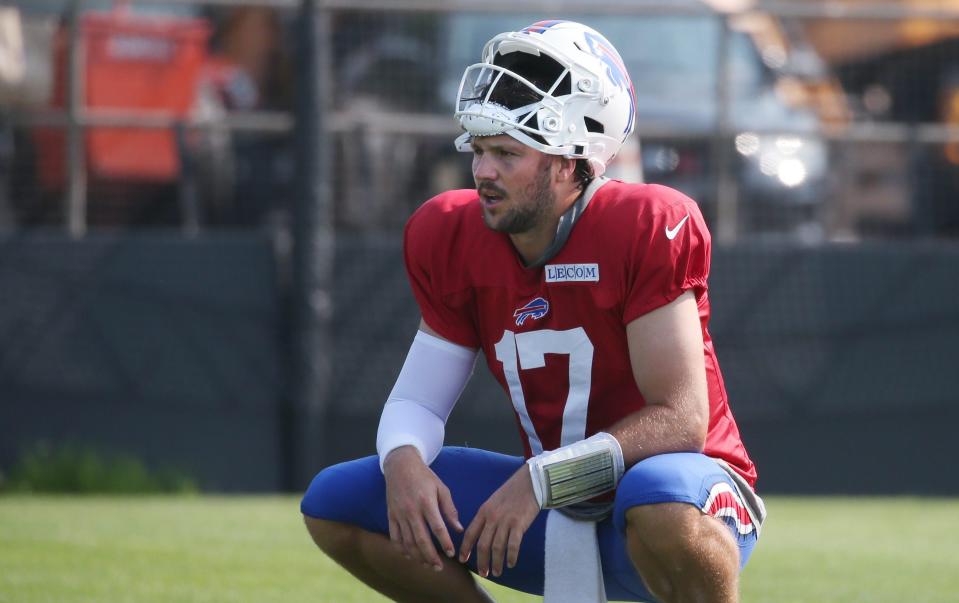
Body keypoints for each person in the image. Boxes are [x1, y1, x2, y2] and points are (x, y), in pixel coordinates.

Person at [301, 19, 765, 603]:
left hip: (688, 498)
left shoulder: (643, 224)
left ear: (572, 162)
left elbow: (679, 421)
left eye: (507, 153)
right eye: (478, 148)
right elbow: (419, 400)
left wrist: (542, 479)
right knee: (339, 502)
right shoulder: (449, 233)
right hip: (552, 502)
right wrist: (403, 463)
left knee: (659, 493)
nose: (483, 171)